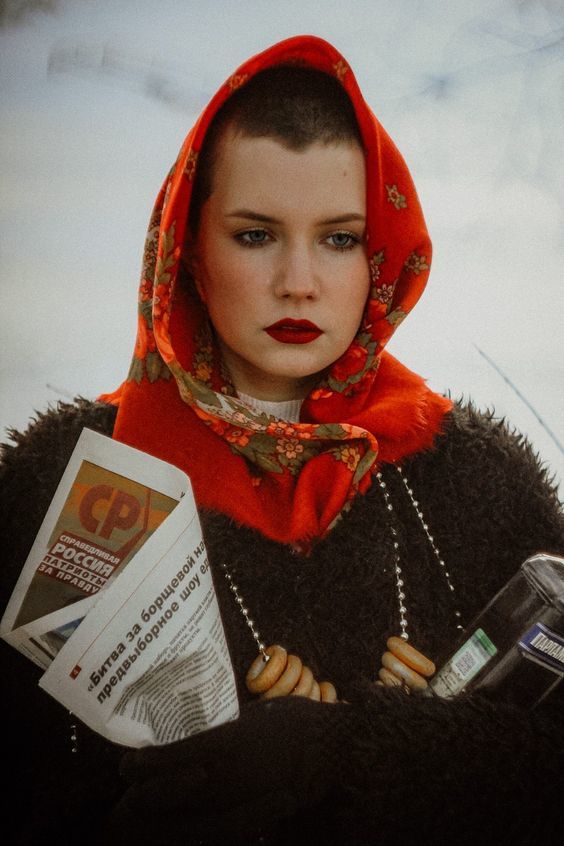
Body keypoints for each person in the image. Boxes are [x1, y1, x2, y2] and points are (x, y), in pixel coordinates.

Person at [1, 35, 563, 845]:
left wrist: (358, 752)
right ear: (189, 250)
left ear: (381, 258)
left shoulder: (476, 480)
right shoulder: (60, 484)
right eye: (256, 234)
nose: (299, 280)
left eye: (338, 238)